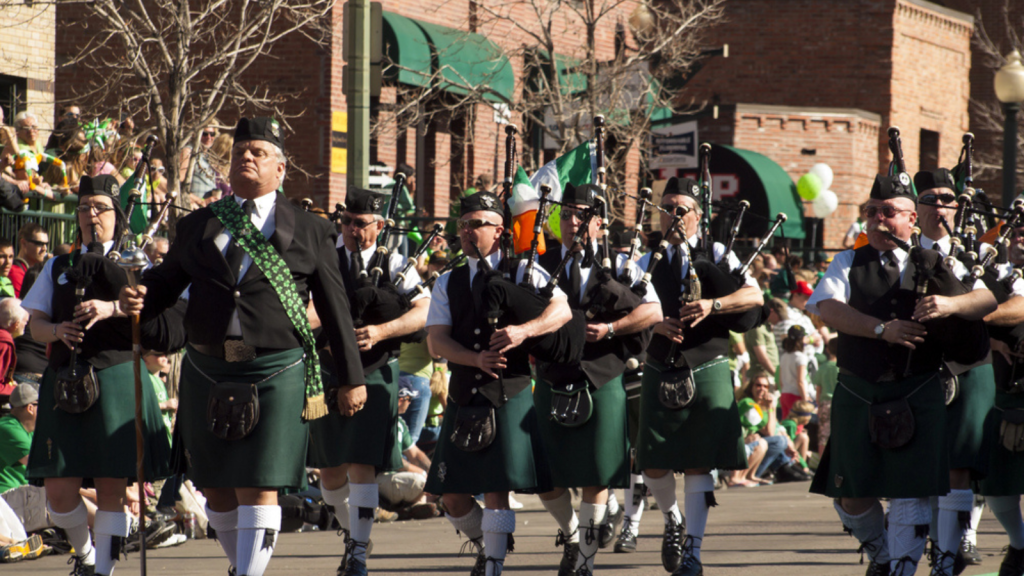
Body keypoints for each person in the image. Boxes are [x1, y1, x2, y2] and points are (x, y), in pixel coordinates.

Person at [121, 117, 366, 576]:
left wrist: (352, 378)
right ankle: (242, 569)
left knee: (259, 484)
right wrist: (139, 296)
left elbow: (336, 309)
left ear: (281, 167)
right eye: (239, 152)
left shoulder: (311, 229)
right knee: (215, 488)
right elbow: (166, 282)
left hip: (276, 370)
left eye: (257, 152)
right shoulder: (198, 225)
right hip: (208, 367)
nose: (246, 158)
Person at [807, 173, 997, 576]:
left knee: (908, 494)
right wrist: (881, 329)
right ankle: (880, 551)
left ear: (912, 219)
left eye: (888, 212)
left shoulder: (935, 261)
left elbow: (984, 298)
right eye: (871, 211)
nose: (877, 219)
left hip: (917, 388)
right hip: (859, 390)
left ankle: (900, 569)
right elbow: (827, 307)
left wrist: (948, 305)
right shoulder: (848, 261)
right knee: (851, 496)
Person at [20, 174, 177, 576]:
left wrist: (111, 308)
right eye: (85, 207)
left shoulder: (136, 263)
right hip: (65, 380)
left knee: (111, 487)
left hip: (118, 375)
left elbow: (155, 316)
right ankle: (86, 554)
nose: (92, 215)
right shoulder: (56, 265)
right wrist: (56, 331)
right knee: (58, 493)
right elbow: (32, 323)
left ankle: (102, 572)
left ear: (117, 216)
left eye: (100, 207)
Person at [425, 191, 573, 576]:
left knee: (497, 490)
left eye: (476, 224)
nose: (467, 231)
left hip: (510, 392)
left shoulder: (524, 270)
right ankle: (490, 544)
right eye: (463, 224)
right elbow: (436, 340)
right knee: (452, 498)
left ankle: (499, 562)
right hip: (464, 394)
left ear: (499, 230)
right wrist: (473, 358)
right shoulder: (448, 281)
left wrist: (524, 331)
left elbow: (562, 310)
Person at [634, 176, 764, 576]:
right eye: (665, 208)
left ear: (697, 216)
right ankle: (672, 519)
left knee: (697, 464)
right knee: (651, 463)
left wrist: (714, 303)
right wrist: (654, 325)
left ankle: (693, 551)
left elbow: (754, 297)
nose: (671, 216)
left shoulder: (718, 252)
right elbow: (625, 310)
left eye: (680, 209)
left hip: (707, 365)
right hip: (659, 365)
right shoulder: (641, 259)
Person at [532, 183, 662, 576]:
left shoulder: (621, 266)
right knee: (542, 476)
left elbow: (653, 311)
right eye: (567, 214)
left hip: (603, 381)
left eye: (583, 215)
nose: (573, 222)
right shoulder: (538, 263)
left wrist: (612, 328)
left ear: (600, 224)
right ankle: (572, 537)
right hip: (553, 377)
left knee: (596, 477)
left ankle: (585, 563)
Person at [307, 186, 430, 576]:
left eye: (360, 224)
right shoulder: (323, 258)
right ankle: (354, 534)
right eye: (346, 222)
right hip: (327, 370)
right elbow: (306, 309)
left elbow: (425, 310)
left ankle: (357, 552)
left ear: (378, 226)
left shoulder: (395, 263)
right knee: (329, 473)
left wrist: (382, 330)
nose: (351, 230)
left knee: (361, 465)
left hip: (376, 371)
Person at [913, 167, 1005, 573]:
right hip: (913, 369)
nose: (941, 206)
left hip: (968, 367)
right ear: (914, 207)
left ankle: (948, 558)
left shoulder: (976, 251)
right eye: (931, 198)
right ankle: (901, 553)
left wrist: (951, 305)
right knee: (916, 467)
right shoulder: (899, 249)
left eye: (947, 199)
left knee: (958, 467)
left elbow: (986, 299)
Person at [977, 219, 1024, 576]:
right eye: (1017, 231)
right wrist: (986, 335)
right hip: (1003, 394)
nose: (1020, 237)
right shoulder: (989, 269)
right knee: (996, 486)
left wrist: (975, 316)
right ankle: (1020, 545)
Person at [778, 325, 812, 417]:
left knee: (787, 425)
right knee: (797, 427)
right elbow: (800, 381)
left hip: (785, 394)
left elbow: (781, 381)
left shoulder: (784, 356)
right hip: (796, 396)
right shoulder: (800, 357)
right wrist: (805, 400)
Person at [812, 338, 839, 450]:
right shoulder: (841, 368)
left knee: (823, 436)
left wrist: (818, 404)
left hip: (825, 404)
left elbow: (818, 388)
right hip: (839, 404)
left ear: (827, 350)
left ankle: (822, 464)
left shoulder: (823, 367)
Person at [10, 223, 48, 298]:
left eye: (46, 244)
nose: (44, 249)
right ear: (24, 243)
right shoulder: (15, 272)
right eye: (39, 244)